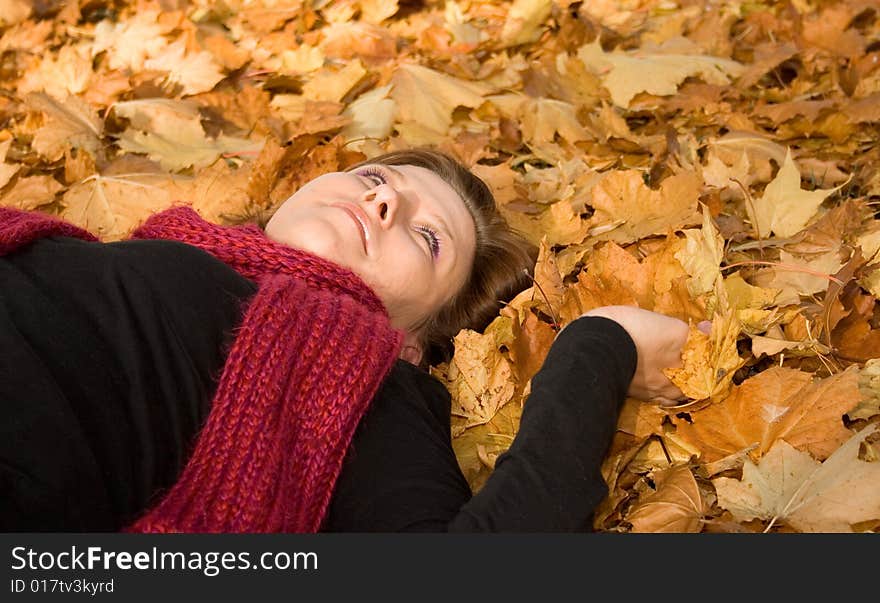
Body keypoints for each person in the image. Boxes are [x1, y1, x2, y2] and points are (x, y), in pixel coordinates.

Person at [0, 147, 693, 532]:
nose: (381, 201)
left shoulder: (369, 389)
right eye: (375, 178)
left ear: (414, 340)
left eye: (427, 238)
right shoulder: (164, 248)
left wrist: (598, 345)